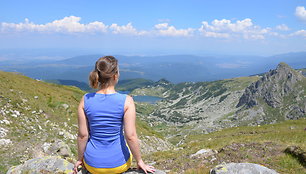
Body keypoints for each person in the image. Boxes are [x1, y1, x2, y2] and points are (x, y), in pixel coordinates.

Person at [73, 56, 155, 174]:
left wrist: (80, 160)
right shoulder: (127, 101)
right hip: (119, 165)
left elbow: (82, 136)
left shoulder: (85, 100)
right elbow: (130, 136)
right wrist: (140, 161)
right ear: (115, 76)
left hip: (92, 165)